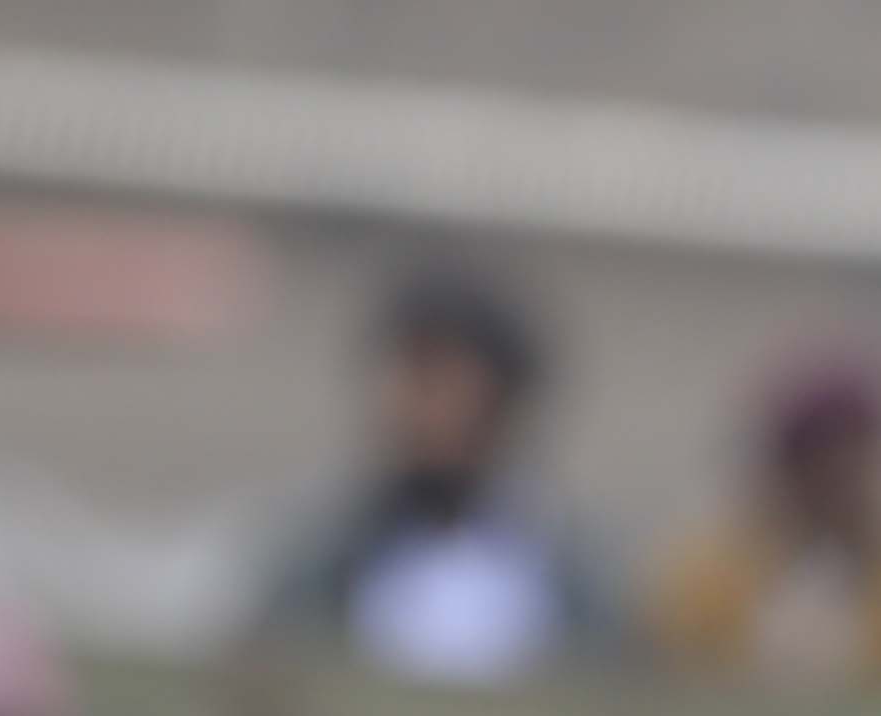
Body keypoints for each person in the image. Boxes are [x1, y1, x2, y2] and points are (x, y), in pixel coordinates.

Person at [255, 261, 627, 683]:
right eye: (414, 378)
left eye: (448, 385)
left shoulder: (568, 574)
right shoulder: (320, 556)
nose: (426, 411)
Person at [645, 350, 881, 689]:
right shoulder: (711, 580)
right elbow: (679, 677)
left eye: (855, 468)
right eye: (818, 469)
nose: (838, 489)